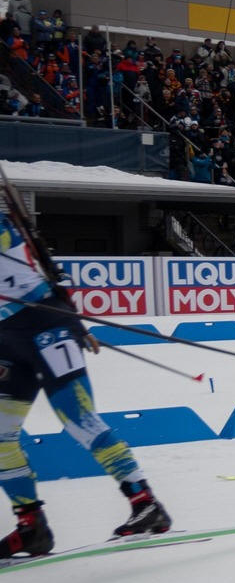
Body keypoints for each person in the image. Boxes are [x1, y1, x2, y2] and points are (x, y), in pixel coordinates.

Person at [1, 210, 172, 557]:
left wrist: (74, 322)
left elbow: (44, 271)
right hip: (7, 341)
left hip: (45, 325)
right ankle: (32, 526)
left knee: (78, 419)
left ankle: (144, 501)